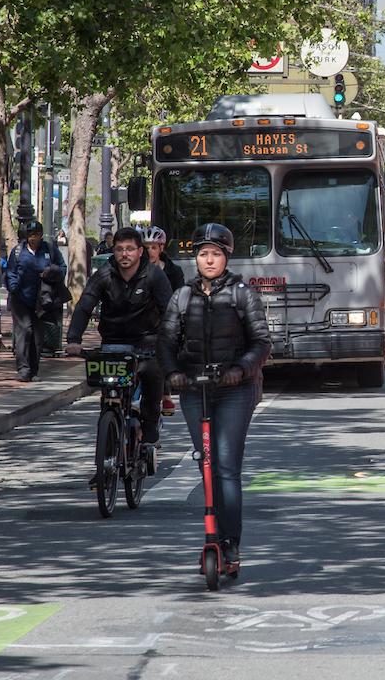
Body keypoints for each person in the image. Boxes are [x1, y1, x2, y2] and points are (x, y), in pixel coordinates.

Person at [158, 223, 271, 575]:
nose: (209, 260)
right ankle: (213, 536)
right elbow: (166, 341)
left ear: (226, 257)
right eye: (203, 254)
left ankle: (230, 542)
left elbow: (262, 343)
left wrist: (242, 368)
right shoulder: (183, 296)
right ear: (196, 258)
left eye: (216, 254)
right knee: (205, 464)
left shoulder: (242, 294)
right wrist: (172, 371)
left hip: (235, 389)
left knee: (225, 467)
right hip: (195, 388)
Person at [65, 227, 172, 477]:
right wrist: (73, 339)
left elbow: (171, 311)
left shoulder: (154, 276)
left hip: (148, 341)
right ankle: (105, 461)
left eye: (130, 249)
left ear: (139, 251)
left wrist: (171, 341)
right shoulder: (104, 275)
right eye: (120, 249)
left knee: (153, 374)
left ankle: (149, 432)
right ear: (114, 251)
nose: (124, 254)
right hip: (113, 341)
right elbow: (84, 307)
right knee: (109, 394)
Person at [4, 221, 66, 382]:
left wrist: (51, 271)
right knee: (24, 332)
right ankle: (23, 369)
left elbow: (62, 268)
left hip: (42, 300)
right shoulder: (18, 251)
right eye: (30, 235)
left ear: (40, 235)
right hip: (21, 300)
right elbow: (10, 272)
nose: (33, 238)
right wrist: (14, 287)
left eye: (36, 235)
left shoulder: (49, 250)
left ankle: (34, 369)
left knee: (37, 337)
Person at [142, 225, 184, 415]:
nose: (149, 251)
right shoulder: (134, 268)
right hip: (140, 322)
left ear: (161, 248)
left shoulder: (174, 271)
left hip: (164, 321)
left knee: (162, 353)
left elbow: (180, 296)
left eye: (153, 247)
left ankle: (166, 394)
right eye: (145, 247)